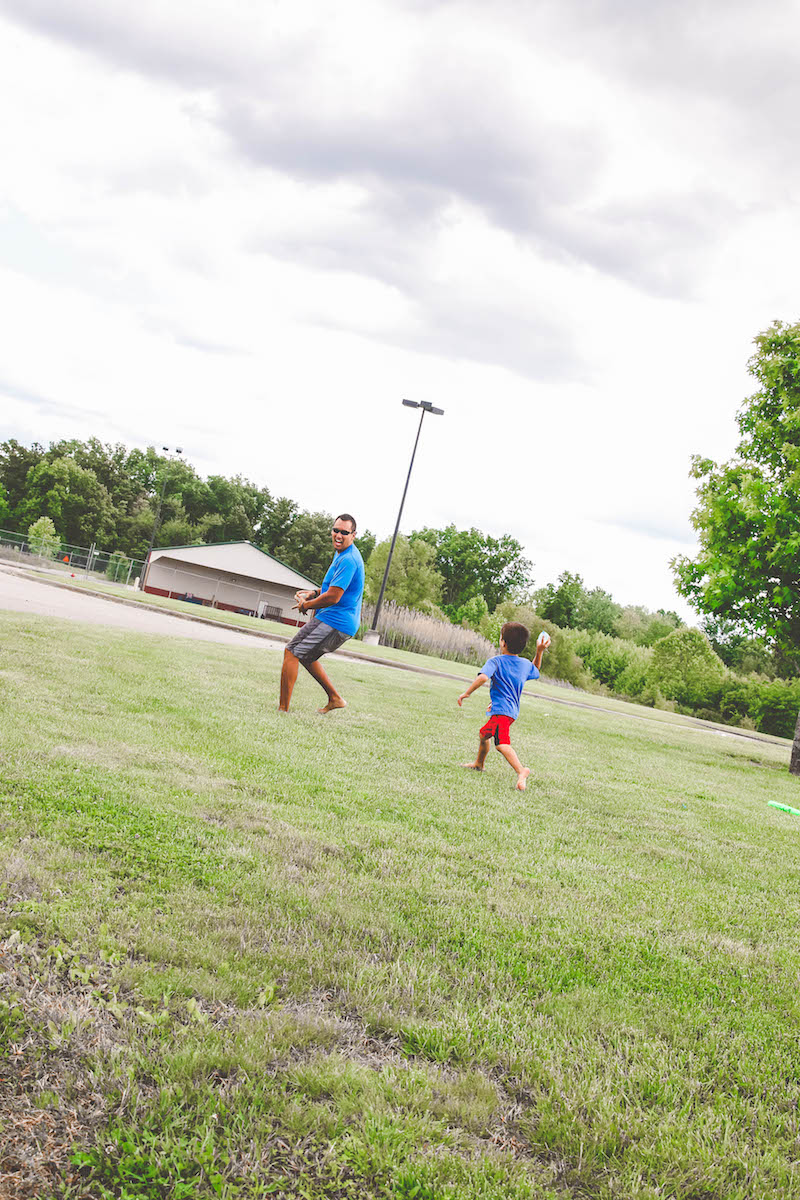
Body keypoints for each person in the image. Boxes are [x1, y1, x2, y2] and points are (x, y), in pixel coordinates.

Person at [278, 513, 365, 714]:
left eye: (344, 532)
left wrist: (306, 605)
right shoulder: (342, 554)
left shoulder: (349, 559)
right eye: (336, 530)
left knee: (291, 652)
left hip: (336, 619)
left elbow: (333, 597)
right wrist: (314, 593)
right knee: (306, 656)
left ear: (354, 535)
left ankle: (283, 709)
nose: (339, 535)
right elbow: (332, 588)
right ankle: (335, 698)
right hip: (340, 620)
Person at [457, 621, 548, 790]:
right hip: (510, 711)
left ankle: (521, 771)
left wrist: (467, 692)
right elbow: (535, 669)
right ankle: (479, 764)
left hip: (502, 712)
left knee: (501, 743)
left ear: (503, 643)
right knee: (484, 734)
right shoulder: (524, 665)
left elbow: (483, 677)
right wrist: (539, 651)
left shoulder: (496, 661)